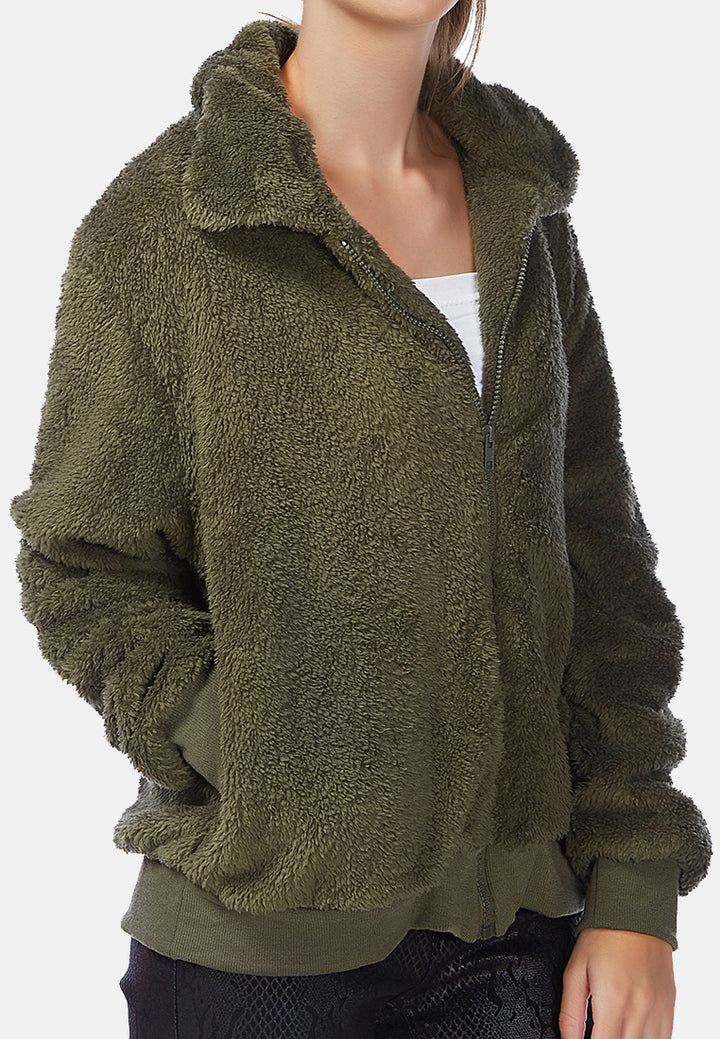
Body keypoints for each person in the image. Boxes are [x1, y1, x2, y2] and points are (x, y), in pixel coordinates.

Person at [9, 3, 712, 1038]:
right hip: (255, 959)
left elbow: (605, 570)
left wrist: (637, 884)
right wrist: (251, 742)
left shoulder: (523, 209)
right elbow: (82, 561)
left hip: (526, 942)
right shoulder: (169, 222)